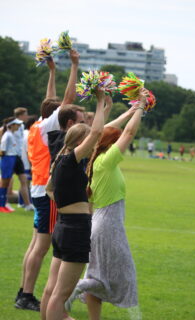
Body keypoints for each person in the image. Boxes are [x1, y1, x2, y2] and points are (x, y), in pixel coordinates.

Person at [65, 88, 149, 320]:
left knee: (99, 272)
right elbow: (129, 133)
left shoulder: (95, 159)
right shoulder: (107, 161)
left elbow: (102, 131)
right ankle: (78, 289)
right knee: (125, 271)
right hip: (108, 224)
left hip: (99, 223)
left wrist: (130, 110)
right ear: (112, 144)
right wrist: (141, 106)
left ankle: (89, 306)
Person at [15, 49, 79, 312]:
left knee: (34, 245)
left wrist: (52, 71)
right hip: (45, 191)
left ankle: (23, 291)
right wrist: (74, 66)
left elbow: (50, 100)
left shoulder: (36, 125)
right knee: (41, 247)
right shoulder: (48, 126)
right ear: (54, 116)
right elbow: (66, 99)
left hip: (37, 187)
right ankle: (26, 295)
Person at [40, 88, 105, 320]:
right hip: (75, 228)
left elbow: (49, 189)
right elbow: (97, 131)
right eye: (87, 140)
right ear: (80, 141)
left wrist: (105, 106)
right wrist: (98, 100)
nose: (92, 144)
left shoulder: (60, 159)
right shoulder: (71, 159)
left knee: (52, 290)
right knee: (61, 294)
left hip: (63, 226)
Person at [0, 117, 23, 212]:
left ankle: (3, 204)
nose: (18, 126)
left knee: (7, 182)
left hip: (11, 158)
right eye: (17, 124)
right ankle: (1, 205)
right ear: (12, 125)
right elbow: (2, 150)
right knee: (4, 182)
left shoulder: (11, 134)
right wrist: (5, 160)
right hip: (7, 159)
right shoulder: (7, 135)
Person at [13, 107, 34, 211]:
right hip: (23, 160)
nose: (27, 116)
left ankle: (22, 202)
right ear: (20, 116)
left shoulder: (19, 127)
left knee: (24, 182)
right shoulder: (20, 127)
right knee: (24, 182)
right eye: (26, 114)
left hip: (20, 159)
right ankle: (24, 203)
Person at [18, 115, 38, 207]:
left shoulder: (24, 133)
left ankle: (21, 202)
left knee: (24, 183)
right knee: (26, 183)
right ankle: (26, 203)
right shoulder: (29, 134)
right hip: (26, 163)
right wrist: (31, 164)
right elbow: (28, 151)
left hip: (22, 161)